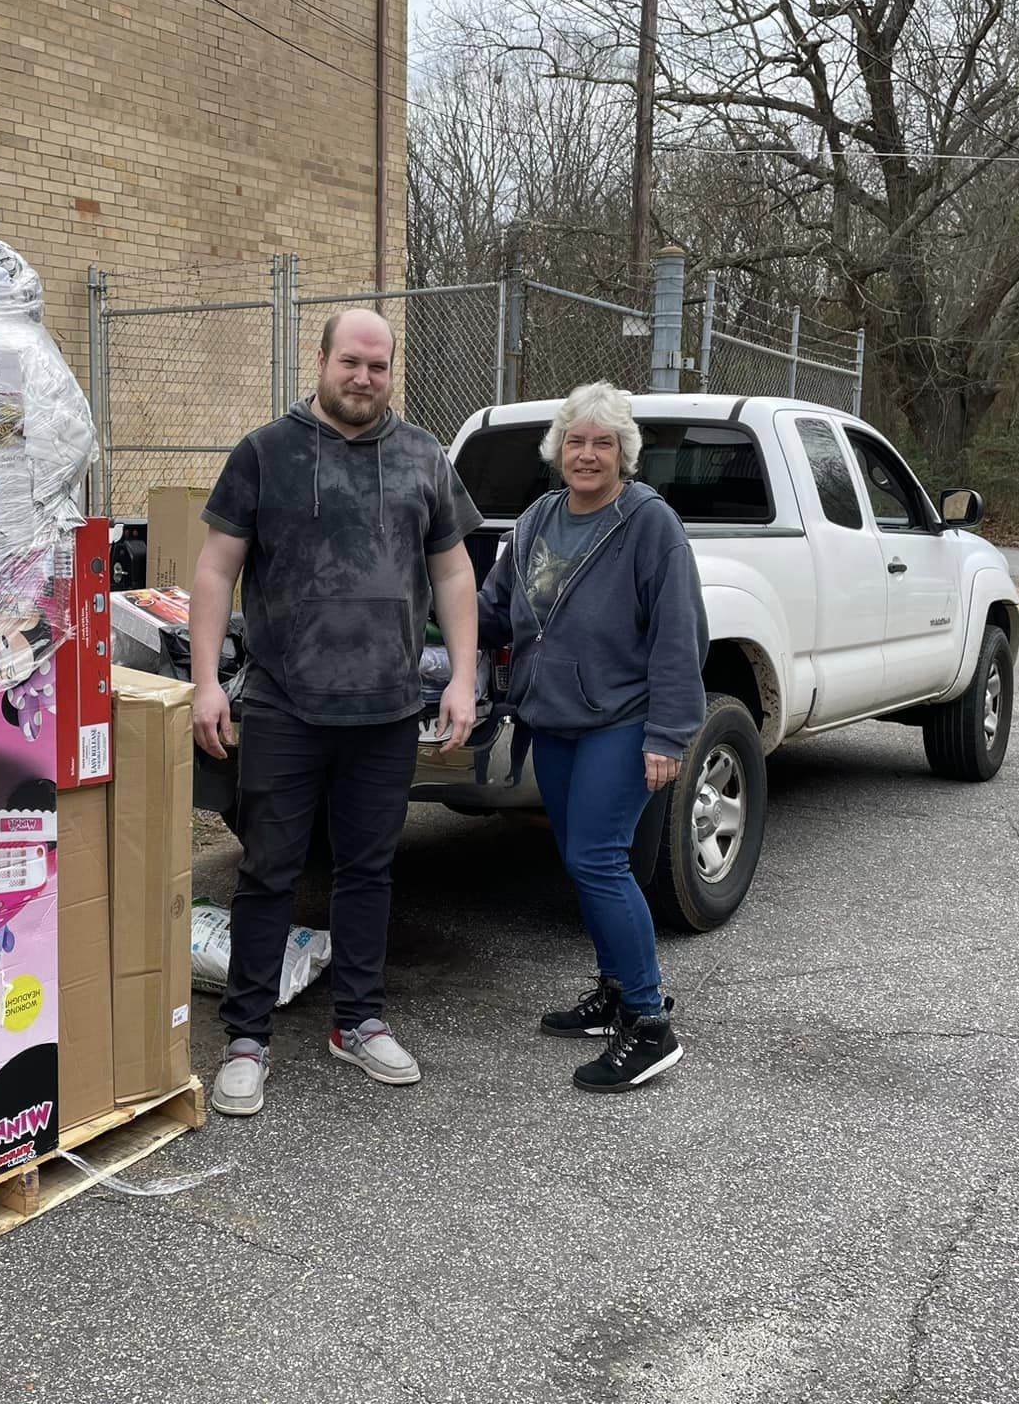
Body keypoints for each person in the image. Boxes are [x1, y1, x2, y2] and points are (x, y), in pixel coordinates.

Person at [191, 309, 483, 1118]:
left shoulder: (424, 456)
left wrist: (462, 677)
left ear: (391, 373)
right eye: (351, 361)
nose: (363, 377)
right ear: (321, 360)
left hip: (386, 710)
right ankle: (246, 1038)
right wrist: (208, 681)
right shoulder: (265, 453)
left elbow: (454, 574)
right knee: (268, 871)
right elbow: (215, 570)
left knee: (368, 870)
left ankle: (358, 1020)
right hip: (284, 705)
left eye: (378, 366)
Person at [476, 382, 706, 1093]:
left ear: (623, 453)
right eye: (575, 441)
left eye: (603, 443)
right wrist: (427, 609)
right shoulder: (538, 518)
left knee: (597, 858)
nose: (587, 454)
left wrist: (668, 734)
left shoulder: (649, 524)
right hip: (553, 720)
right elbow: (495, 609)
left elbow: (680, 635)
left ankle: (649, 1021)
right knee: (584, 862)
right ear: (558, 449)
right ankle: (615, 991)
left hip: (623, 720)